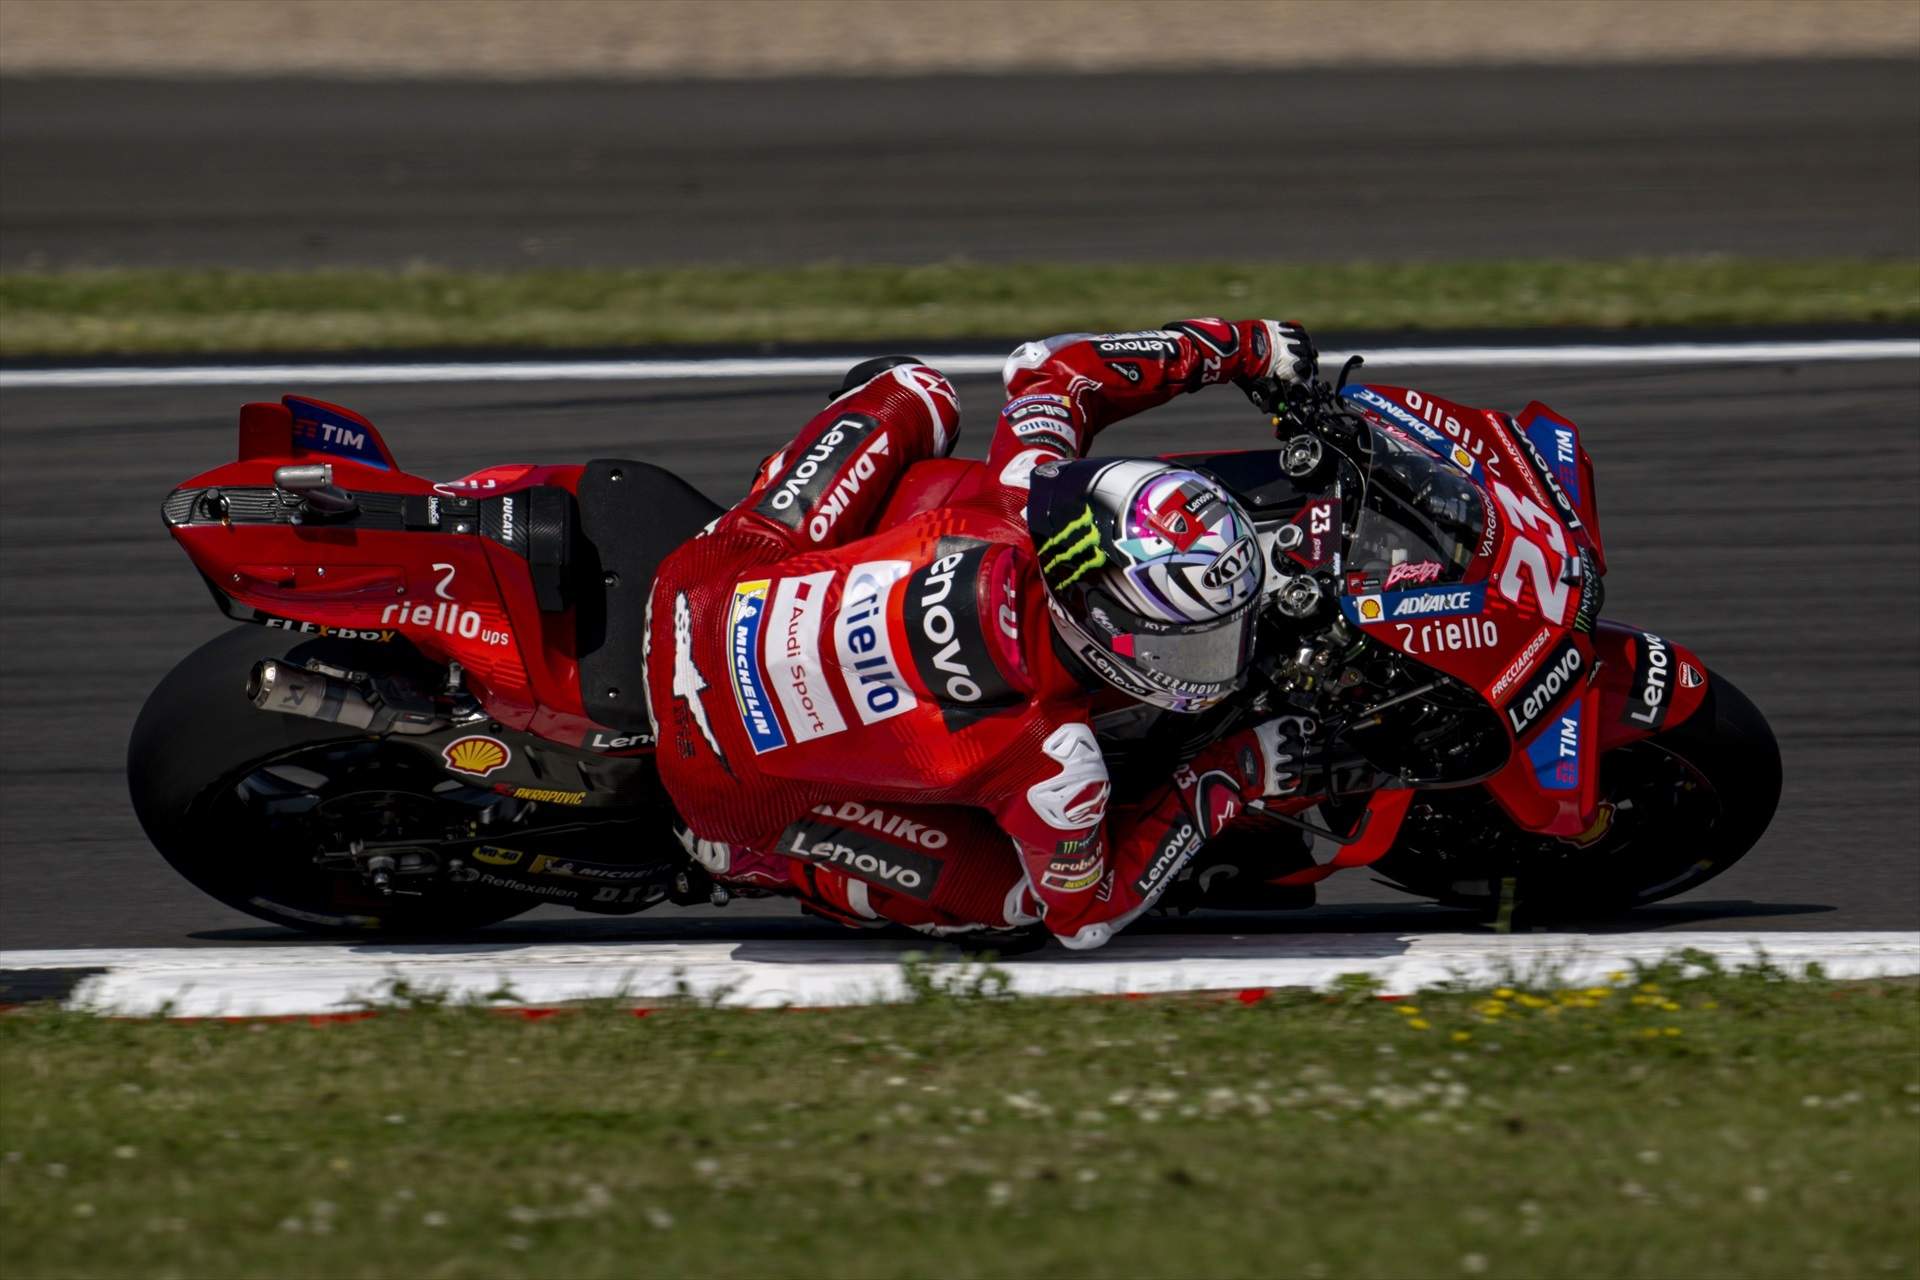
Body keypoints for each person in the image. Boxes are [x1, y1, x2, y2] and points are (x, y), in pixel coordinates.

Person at [645, 317, 1322, 949]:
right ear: (1105, 626)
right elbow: (1085, 915)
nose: (1211, 657)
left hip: (700, 586)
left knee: (915, 391)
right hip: (719, 781)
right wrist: (1235, 772)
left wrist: (1240, 346)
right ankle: (766, 861)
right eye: (1188, 641)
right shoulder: (1054, 759)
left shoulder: (1022, 491)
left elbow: (1054, 369)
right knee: (1019, 905)